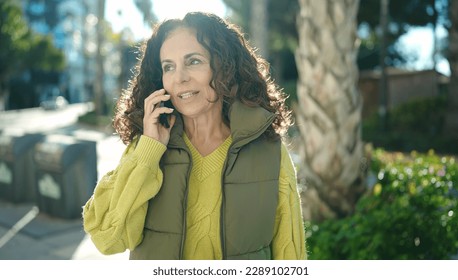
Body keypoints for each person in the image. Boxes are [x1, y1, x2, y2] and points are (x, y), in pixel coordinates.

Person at [82, 11, 306, 260]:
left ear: (224, 67)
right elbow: (107, 238)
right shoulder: (146, 149)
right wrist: (148, 152)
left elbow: (291, 255)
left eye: (193, 61)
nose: (180, 78)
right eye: (169, 67)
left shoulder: (268, 151)